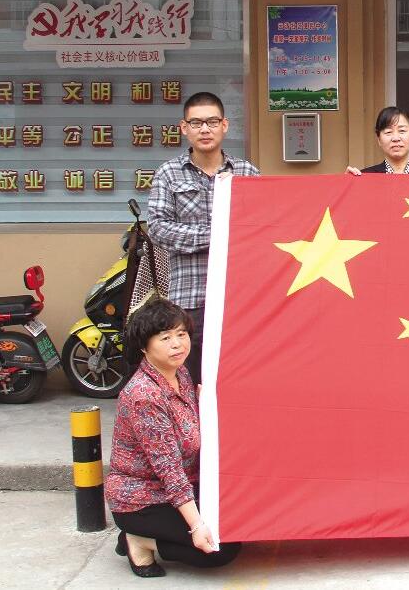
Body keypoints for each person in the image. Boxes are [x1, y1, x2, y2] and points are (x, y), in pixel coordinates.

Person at [106, 298, 241, 577]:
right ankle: (139, 541)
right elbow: (169, 471)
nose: (177, 344)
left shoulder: (180, 373)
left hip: (186, 485)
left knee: (238, 522)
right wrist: (196, 526)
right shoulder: (144, 395)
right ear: (144, 347)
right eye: (165, 338)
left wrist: (205, 406)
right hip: (142, 499)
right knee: (220, 549)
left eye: (181, 334)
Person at [147, 91, 260, 385]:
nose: (205, 129)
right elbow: (158, 228)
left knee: (237, 379)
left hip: (239, 297)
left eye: (212, 122)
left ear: (225, 125)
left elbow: (262, 227)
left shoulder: (247, 173)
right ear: (184, 128)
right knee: (190, 379)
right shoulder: (168, 174)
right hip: (190, 298)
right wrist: (218, 233)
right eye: (196, 123)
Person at [346, 106, 409, 175]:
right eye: (388, 132)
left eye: (402, 131)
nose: (396, 138)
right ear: (379, 139)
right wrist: (346, 183)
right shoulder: (365, 177)